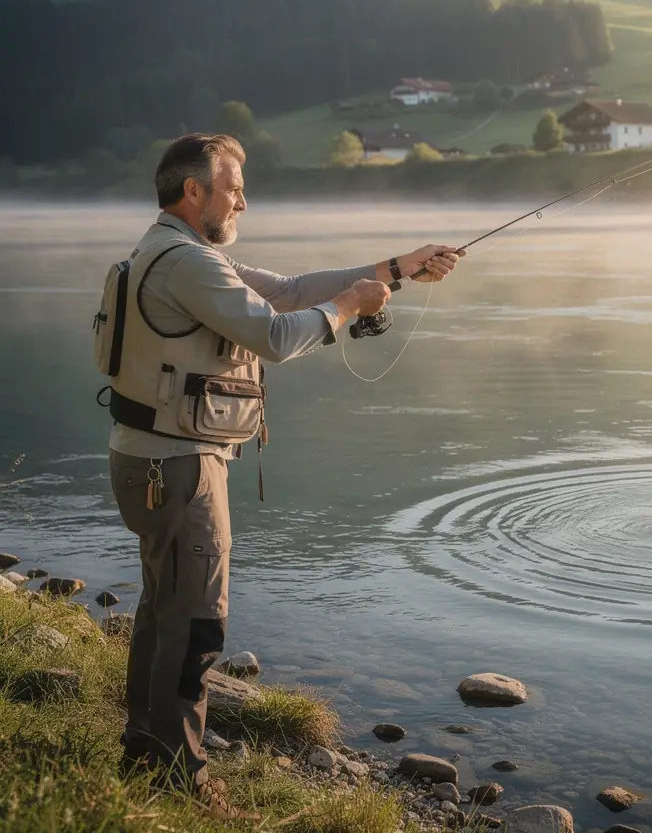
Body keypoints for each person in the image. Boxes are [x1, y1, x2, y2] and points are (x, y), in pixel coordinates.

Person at [105, 133, 461, 818]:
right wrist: (351, 309)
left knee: (163, 612)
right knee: (198, 622)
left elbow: (293, 290)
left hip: (153, 458)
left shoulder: (179, 254)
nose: (244, 198)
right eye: (233, 186)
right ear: (193, 192)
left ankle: (145, 752)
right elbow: (274, 334)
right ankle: (180, 778)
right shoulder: (187, 263)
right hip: (178, 465)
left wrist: (398, 268)